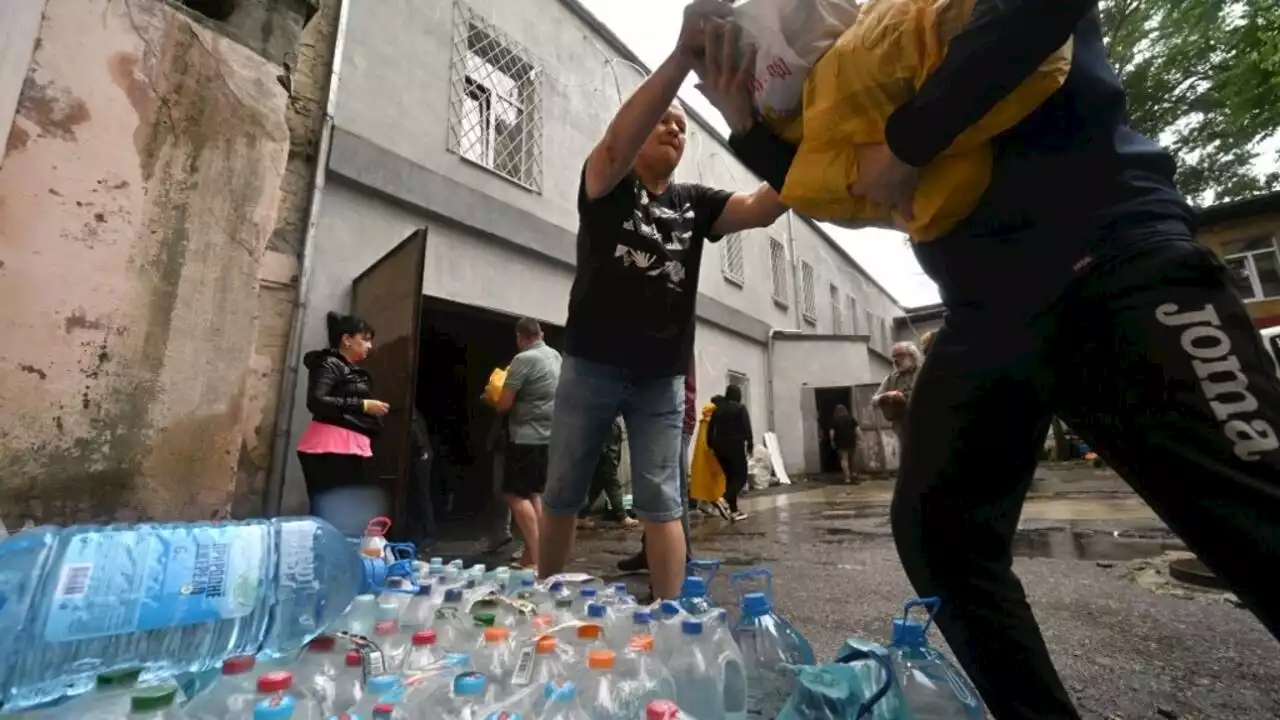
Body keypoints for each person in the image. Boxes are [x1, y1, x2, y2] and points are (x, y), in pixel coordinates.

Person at [704, 4, 1280, 718]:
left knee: (1256, 523)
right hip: (986, 305)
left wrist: (911, 143)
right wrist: (746, 127)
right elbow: (835, 178)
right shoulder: (863, 57)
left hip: (1115, 258)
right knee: (941, 533)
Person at [537, 0, 788, 600]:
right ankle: (545, 601)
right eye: (664, 121)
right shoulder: (606, 182)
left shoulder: (696, 202)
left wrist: (803, 139)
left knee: (661, 497)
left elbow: (764, 206)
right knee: (566, 488)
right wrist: (680, 59)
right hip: (591, 365)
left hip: (660, 377)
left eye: (682, 125)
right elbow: (617, 141)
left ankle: (670, 614)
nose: (675, 128)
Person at [296, 312, 390, 538]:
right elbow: (317, 401)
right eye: (365, 338)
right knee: (333, 514)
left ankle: (345, 561)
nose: (369, 345)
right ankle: (324, 564)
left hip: (350, 448)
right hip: (331, 449)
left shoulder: (350, 369)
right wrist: (363, 406)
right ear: (347, 339)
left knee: (351, 514)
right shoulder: (328, 364)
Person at [489, 318, 562, 570]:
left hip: (525, 438)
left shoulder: (523, 360)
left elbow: (503, 404)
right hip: (548, 437)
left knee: (513, 495)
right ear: (540, 333)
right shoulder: (555, 356)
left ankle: (539, 556)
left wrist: (490, 396)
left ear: (520, 337)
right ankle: (532, 557)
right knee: (534, 493)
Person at [618, 363, 699, 573]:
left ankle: (680, 561)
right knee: (656, 491)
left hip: (674, 420)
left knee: (670, 494)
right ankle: (650, 552)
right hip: (665, 417)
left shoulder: (674, 334)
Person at [578, 415, 639, 528]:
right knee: (611, 481)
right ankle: (622, 516)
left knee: (598, 483)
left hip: (602, 441)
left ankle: (581, 514)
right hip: (605, 444)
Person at [707, 384, 754, 521]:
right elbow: (746, 427)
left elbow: (711, 428)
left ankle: (734, 511)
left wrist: (711, 445)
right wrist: (750, 444)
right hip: (735, 447)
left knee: (730, 478)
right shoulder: (740, 408)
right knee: (741, 477)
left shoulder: (718, 409)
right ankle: (723, 500)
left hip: (719, 449)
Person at [872, 341, 921, 435]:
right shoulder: (890, 378)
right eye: (893, 356)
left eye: (900, 355)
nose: (895, 360)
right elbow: (874, 401)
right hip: (900, 430)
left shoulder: (923, 373)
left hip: (922, 425)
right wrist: (886, 396)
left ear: (912, 356)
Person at [828, 404, 860, 484]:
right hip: (851, 441)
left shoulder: (834, 420)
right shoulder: (851, 419)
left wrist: (832, 441)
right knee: (853, 458)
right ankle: (854, 473)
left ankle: (847, 478)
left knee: (844, 459)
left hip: (840, 442)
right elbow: (857, 430)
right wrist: (861, 439)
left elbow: (832, 432)